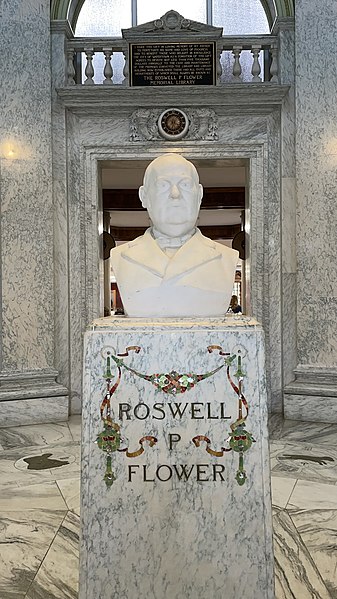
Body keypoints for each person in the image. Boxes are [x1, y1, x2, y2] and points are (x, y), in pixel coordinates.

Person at [110, 154, 239, 317]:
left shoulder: (226, 258)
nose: (175, 193)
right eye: (163, 185)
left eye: (184, 184)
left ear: (199, 194)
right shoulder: (121, 256)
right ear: (144, 196)